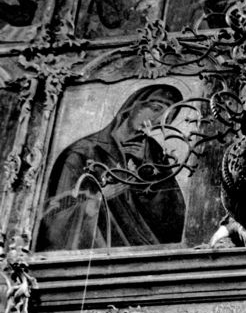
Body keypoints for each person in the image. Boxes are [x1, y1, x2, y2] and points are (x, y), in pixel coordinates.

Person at [36, 83, 188, 251]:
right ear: (131, 106)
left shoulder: (152, 151)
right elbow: (53, 217)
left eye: (168, 116)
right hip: (99, 249)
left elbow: (174, 213)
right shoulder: (83, 151)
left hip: (145, 249)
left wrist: (147, 171)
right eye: (155, 108)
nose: (158, 119)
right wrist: (99, 199)